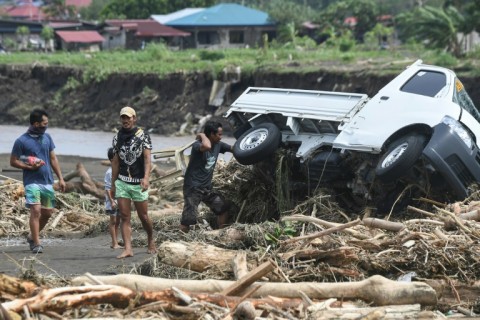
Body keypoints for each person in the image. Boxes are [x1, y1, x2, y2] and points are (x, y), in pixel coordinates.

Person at [10, 109, 66, 254]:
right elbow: (13, 161)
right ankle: (36, 243)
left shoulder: (47, 137)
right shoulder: (21, 141)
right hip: (31, 181)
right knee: (35, 210)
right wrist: (28, 166)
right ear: (35, 124)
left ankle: (31, 236)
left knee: (48, 212)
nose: (46, 126)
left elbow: (53, 159)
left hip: (47, 181)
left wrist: (60, 178)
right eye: (44, 124)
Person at [111, 106, 156, 259]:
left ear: (134, 119)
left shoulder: (143, 135)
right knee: (124, 216)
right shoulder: (117, 137)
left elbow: (147, 159)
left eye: (128, 118)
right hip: (122, 182)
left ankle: (150, 239)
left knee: (143, 216)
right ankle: (128, 249)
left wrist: (146, 177)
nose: (125, 120)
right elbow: (115, 162)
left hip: (138, 182)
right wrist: (112, 184)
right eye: (123, 118)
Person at [180, 120, 232, 233]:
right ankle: (180, 240)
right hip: (193, 188)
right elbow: (207, 146)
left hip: (206, 188)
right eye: (219, 134)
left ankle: (220, 234)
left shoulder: (219, 145)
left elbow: (233, 149)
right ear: (211, 134)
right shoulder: (197, 145)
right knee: (188, 220)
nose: (221, 137)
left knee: (223, 208)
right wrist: (202, 134)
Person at [105, 147, 122, 249]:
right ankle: (114, 242)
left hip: (120, 200)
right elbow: (107, 188)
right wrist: (111, 201)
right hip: (112, 201)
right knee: (113, 221)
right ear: (112, 160)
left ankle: (116, 241)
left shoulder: (119, 171)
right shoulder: (109, 172)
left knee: (118, 221)